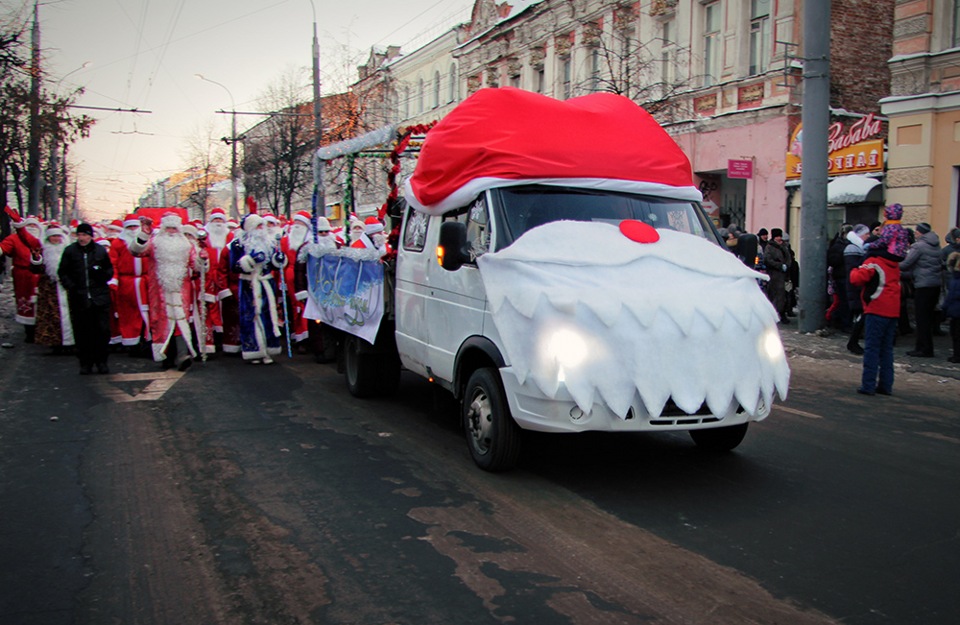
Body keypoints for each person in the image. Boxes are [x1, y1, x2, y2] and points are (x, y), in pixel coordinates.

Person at [129, 213, 199, 370]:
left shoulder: (187, 245)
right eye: (168, 228)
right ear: (163, 228)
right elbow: (136, 251)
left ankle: (182, 355)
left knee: (181, 322)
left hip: (181, 291)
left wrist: (203, 259)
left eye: (174, 228)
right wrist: (143, 235)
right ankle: (165, 356)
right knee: (161, 324)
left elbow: (197, 266)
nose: (172, 231)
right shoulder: (154, 243)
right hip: (159, 291)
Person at [229, 212, 286, 364]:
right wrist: (249, 261)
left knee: (268, 315)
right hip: (249, 284)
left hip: (266, 282)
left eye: (263, 225)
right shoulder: (238, 244)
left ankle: (268, 351)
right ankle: (254, 351)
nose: (262, 228)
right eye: (258, 226)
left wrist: (279, 259)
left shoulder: (270, 242)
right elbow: (234, 267)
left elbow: (274, 264)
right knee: (250, 316)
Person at [58, 222, 114, 374]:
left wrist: (100, 274)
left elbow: (109, 271)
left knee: (102, 331)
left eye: (84, 235)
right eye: (79, 235)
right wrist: (71, 286)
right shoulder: (70, 251)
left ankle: (102, 362)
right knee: (82, 332)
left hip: (99, 298)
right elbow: (62, 272)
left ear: (90, 236)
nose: (81, 238)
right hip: (79, 298)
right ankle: (85, 363)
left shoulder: (100, 251)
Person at [850, 245, 902, 396]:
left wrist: (854, 269)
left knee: (872, 348)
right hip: (893, 310)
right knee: (886, 349)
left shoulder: (874, 262)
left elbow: (857, 278)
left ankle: (868, 385)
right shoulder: (894, 264)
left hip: (877, 308)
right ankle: (886, 385)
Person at [108, 215, 151, 354]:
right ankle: (131, 342)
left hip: (145, 281)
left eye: (135, 226)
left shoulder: (147, 241)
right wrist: (114, 280)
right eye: (129, 227)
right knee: (128, 315)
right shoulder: (117, 243)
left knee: (146, 313)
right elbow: (112, 263)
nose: (132, 230)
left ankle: (146, 341)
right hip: (126, 283)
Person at [29, 223, 75, 352]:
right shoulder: (43, 250)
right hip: (50, 288)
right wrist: (36, 259)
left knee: (71, 314)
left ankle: (72, 343)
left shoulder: (68, 249)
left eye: (58, 236)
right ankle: (55, 343)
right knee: (52, 315)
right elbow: (35, 269)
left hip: (67, 286)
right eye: (53, 236)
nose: (56, 239)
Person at [900, 222, 942, 357]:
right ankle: (926, 347)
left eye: (917, 231)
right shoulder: (936, 245)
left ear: (921, 232)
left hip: (923, 285)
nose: (915, 233)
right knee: (928, 318)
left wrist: (890, 264)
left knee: (921, 318)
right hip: (935, 284)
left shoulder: (918, 246)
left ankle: (923, 348)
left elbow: (906, 264)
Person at [0, 208, 42, 342]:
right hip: (23, 275)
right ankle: (29, 332)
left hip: (41, 275)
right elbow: (3, 248)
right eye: (29, 225)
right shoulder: (14, 239)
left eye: (33, 225)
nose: (31, 228)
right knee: (26, 301)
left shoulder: (43, 239)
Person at [843, 224, 871, 355]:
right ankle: (853, 342)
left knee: (861, 315)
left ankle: (854, 342)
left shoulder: (858, 248)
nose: (868, 236)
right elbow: (853, 270)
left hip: (857, 286)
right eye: (866, 234)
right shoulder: (853, 249)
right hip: (856, 286)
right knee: (859, 315)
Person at [763, 228, 791, 323]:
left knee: (784, 295)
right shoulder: (769, 247)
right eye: (777, 236)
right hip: (774, 274)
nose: (779, 238)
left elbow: (788, 257)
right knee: (776, 295)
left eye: (780, 236)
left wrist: (787, 265)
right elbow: (768, 259)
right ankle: (775, 314)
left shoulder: (784, 246)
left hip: (784, 275)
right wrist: (779, 265)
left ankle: (782, 313)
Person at [944, 251, 960, 363]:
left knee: (956, 334)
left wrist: (944, 308)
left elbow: (951, 296)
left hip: (956, 310)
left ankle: (957, 355)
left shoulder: (955, 280)